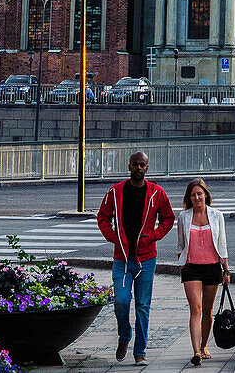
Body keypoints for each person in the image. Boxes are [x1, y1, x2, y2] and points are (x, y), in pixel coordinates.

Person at [97, 150, 175, 365]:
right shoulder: (115, 192)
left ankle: (140, 352)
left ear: (147, 168)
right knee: (121, 301)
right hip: (121, 258)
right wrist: (113, 237)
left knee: (142, 305)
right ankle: (124, 336)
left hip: (146, 258)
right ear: (129, 166)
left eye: (142, 165)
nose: (139, 168)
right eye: (135, 164)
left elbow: (168, 218)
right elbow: (103, 217)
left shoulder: (156, 193)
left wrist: (153, 236)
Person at [176, 178, 230, 366]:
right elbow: (181, 244)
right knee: (195, 309)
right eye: (193, 195)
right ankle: (196, 351)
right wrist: (181, 263)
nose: (197, 197)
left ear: (206, 195)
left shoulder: (217, 216)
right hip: (191, 268)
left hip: (212, 267)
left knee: (207, 310)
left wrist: (226, 270)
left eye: (200, 193)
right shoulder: (183, 217)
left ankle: (205, 344)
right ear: (188, 198)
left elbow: (222, 243)